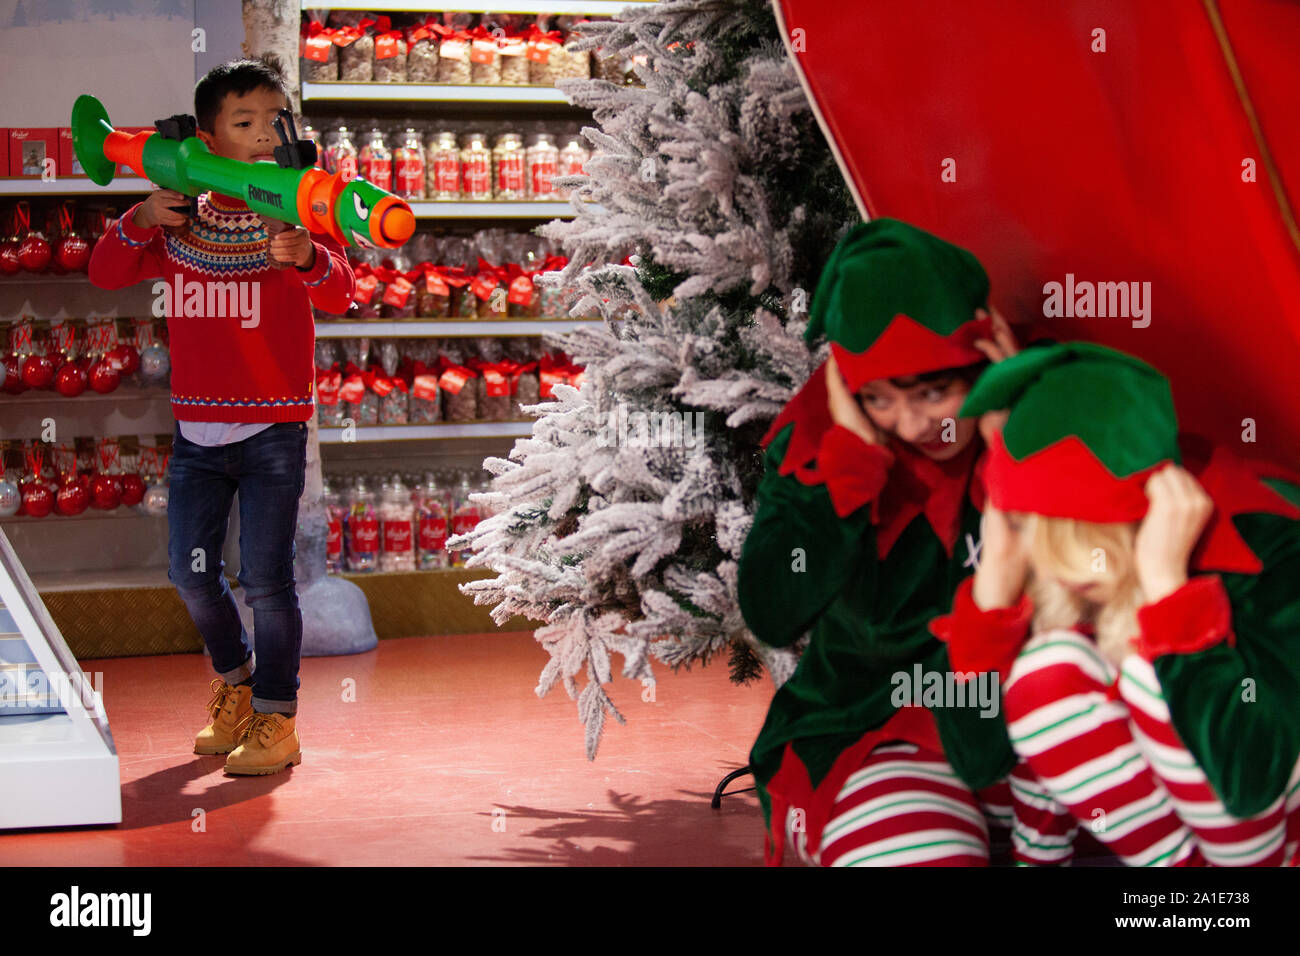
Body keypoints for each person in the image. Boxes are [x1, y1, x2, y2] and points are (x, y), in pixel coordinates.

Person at [87, 54, 355, 775]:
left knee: (268, 582)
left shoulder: (301, 207)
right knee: (189, 573)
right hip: (198, 434)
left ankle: (278, 717)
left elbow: (342, 294)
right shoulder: (178, 218)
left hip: (274, 429)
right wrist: (141, 217)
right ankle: (235, 685)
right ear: (206, 141)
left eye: (276, 120)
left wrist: (308, 259)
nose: (266, 135)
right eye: (245, 123)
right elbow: (104, 272)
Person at [932, 342, 1300, 866]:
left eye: (1087, 541)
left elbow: (1252, 782)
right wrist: (992, 589)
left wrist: (1168, 591)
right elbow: (977, 761)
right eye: (1041, 536)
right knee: (1044, 674)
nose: (1064, 570)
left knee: (1151, 673)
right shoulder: (1046, 566)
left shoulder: (1268, 545)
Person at [739, 218, 1022, 867]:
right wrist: (847, 473)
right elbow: (771, 612)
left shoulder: (1037, 421)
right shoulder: (821, 443)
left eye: (935, 390)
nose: (916, 422)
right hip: (867, 726)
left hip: (1014, 712)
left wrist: (1017, 459)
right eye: (880, 398)